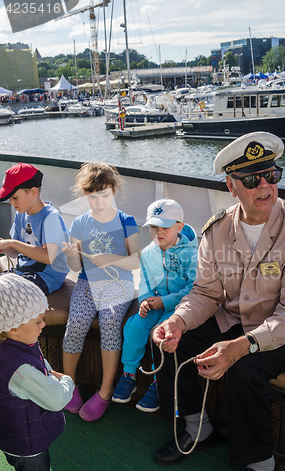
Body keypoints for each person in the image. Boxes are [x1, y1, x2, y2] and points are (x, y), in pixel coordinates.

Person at [151, 132, 285, 471]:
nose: (264, 186)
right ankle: (198, 428)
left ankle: (262, 465)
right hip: (236, 321)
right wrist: (178, 320)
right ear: (232, 186)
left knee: (246, 368)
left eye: (271, 175)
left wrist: (242, 345)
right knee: (172, 340)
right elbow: (206, 294)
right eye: (251, 180)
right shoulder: (215, 231)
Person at [61, 162, 140, 422]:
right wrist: (72, 256)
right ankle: (69, 385)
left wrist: (110, 258)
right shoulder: (79, 224)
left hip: (120, 282)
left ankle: (105, 392)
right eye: (92, 196)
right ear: (86, 195)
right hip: (87, 283)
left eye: (104, 194)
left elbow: (135, 261)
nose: (99, 201)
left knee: (109, 320)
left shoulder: (126, 221)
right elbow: (76, 267)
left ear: (113, 190)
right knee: (78, 321)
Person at [112, 199, 198, 412]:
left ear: (179, 226)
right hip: (156, 302)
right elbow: (145, 281)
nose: (158, 232)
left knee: (162, 334)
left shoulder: (191, 254)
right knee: (133, 326)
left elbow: (194, 287)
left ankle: (159, 382)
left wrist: (165, 302)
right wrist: (145, 300)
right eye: (153, 227)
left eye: (165, 227)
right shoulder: (149, 252)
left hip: (179, 307)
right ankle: (129, 373)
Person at [0, 273, 74, 471]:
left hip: (10, 436)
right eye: (38, 321)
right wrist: (67, 380)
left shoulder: (15, 343)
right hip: (28, 444)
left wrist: (48, 372)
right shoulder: (21, 370)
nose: (44, 324)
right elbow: (56, 400)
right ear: (12, 327)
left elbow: (39, 361)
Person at [0, 163, 69, 295]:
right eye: (9, 198)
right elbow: (15, 253)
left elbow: (49, 257)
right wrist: (4, 244)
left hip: (46, 277)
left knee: (5, 293)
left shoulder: (50, 217)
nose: (11, 202)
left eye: (15, 197)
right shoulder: (20, 214)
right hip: (22, 272)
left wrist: (11, 243)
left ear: (33, 192)